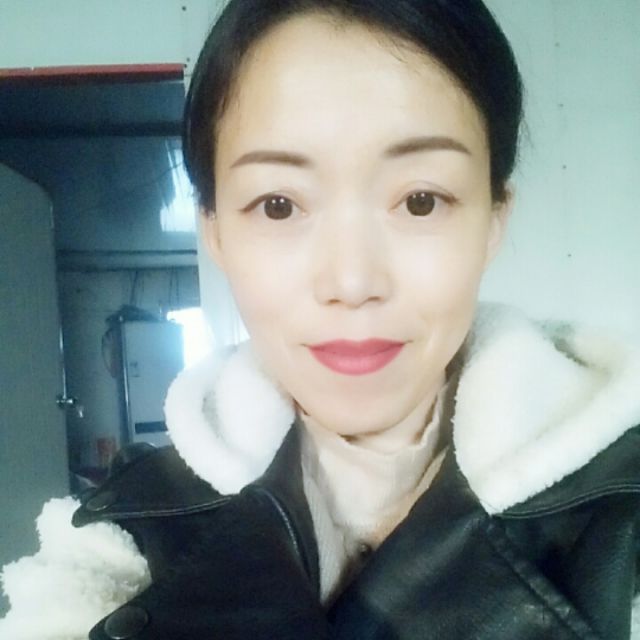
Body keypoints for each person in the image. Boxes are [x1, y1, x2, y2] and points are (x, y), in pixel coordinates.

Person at [2, 0, 640, 638]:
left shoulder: (622, 513)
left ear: (494, 219)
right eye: (278, 205)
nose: (352, 282)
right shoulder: (120, 534)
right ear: (214, 233)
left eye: (421, 201)